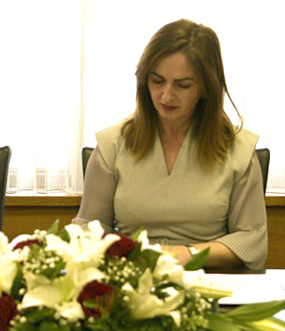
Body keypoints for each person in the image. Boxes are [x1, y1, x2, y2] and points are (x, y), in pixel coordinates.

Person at [74, 19, 267, 270]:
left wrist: (189, 254)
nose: (166, 95)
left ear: (206, 87)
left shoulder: (238, 150)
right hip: (132, 276)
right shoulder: (112, 144)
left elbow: (252, 240)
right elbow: (88, 228)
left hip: (208, 277)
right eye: (157, 81)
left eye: (183, 85)